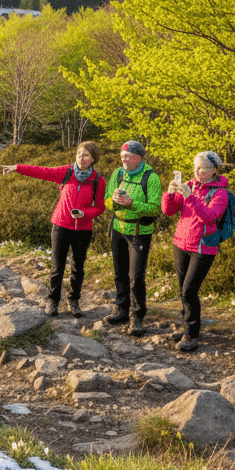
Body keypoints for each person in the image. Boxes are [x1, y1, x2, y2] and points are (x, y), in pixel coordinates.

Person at [1, 142, 106, 317]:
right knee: (57, 265)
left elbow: (100, 207)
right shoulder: (66, 172)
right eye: (79, 154)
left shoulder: (97, 180)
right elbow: (42, 171)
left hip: (83, 228)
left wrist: (85, 213)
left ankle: (74, 300)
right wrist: (17, 168)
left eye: (86, 155)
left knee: (78, 267)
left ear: (93, 159)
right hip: (61, 226)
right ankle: (53, 301)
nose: (81, 157)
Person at [161, 151, 229, 352]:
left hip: (203, 247)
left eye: (204, 168)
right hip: (180, 243)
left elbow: (210, 217)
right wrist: (171, 193)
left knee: (189, 290)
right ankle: (186, 329)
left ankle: (191, 334)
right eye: (196, 167)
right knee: (183, 289)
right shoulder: (188, 185)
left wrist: (189, 198)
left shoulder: (220, 193)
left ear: (214, 170)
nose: (198, 172)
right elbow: (169, 210)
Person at [105, 140, 162, 336]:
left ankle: (137, 317)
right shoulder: (117, 173)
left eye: (128, 156)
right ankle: (121, 310)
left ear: (139, 157)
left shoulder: (151, 177)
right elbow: (106, 200)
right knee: (119, 273)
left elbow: (155, 207)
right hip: (117, 228)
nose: (124, 160)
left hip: (139, 232)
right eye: (122, 157)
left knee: (136, 277)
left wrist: (132, 203)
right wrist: (114, 202)